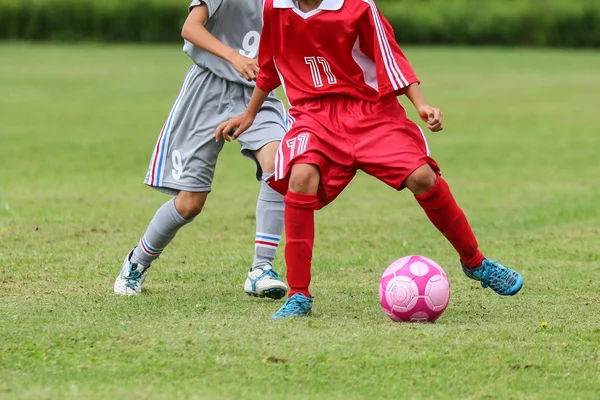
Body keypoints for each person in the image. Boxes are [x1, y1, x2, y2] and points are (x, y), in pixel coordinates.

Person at [215, 0, 523, 319]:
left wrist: (421, 105)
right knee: (301, 177)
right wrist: (250, 114)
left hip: (371, 112)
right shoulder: (275, 8)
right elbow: (269, 65)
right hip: (314, 115)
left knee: (422, 177)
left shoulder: (359, 7)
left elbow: (391, 60)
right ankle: (298, 295)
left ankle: (475, 262)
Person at [114, 0, 289, 299]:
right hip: (206, 93)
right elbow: (190, 28)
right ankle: (136, 263)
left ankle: (261, 269)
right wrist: (235, 57)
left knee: (280, 162)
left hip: (257, 94)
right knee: (189, 204)